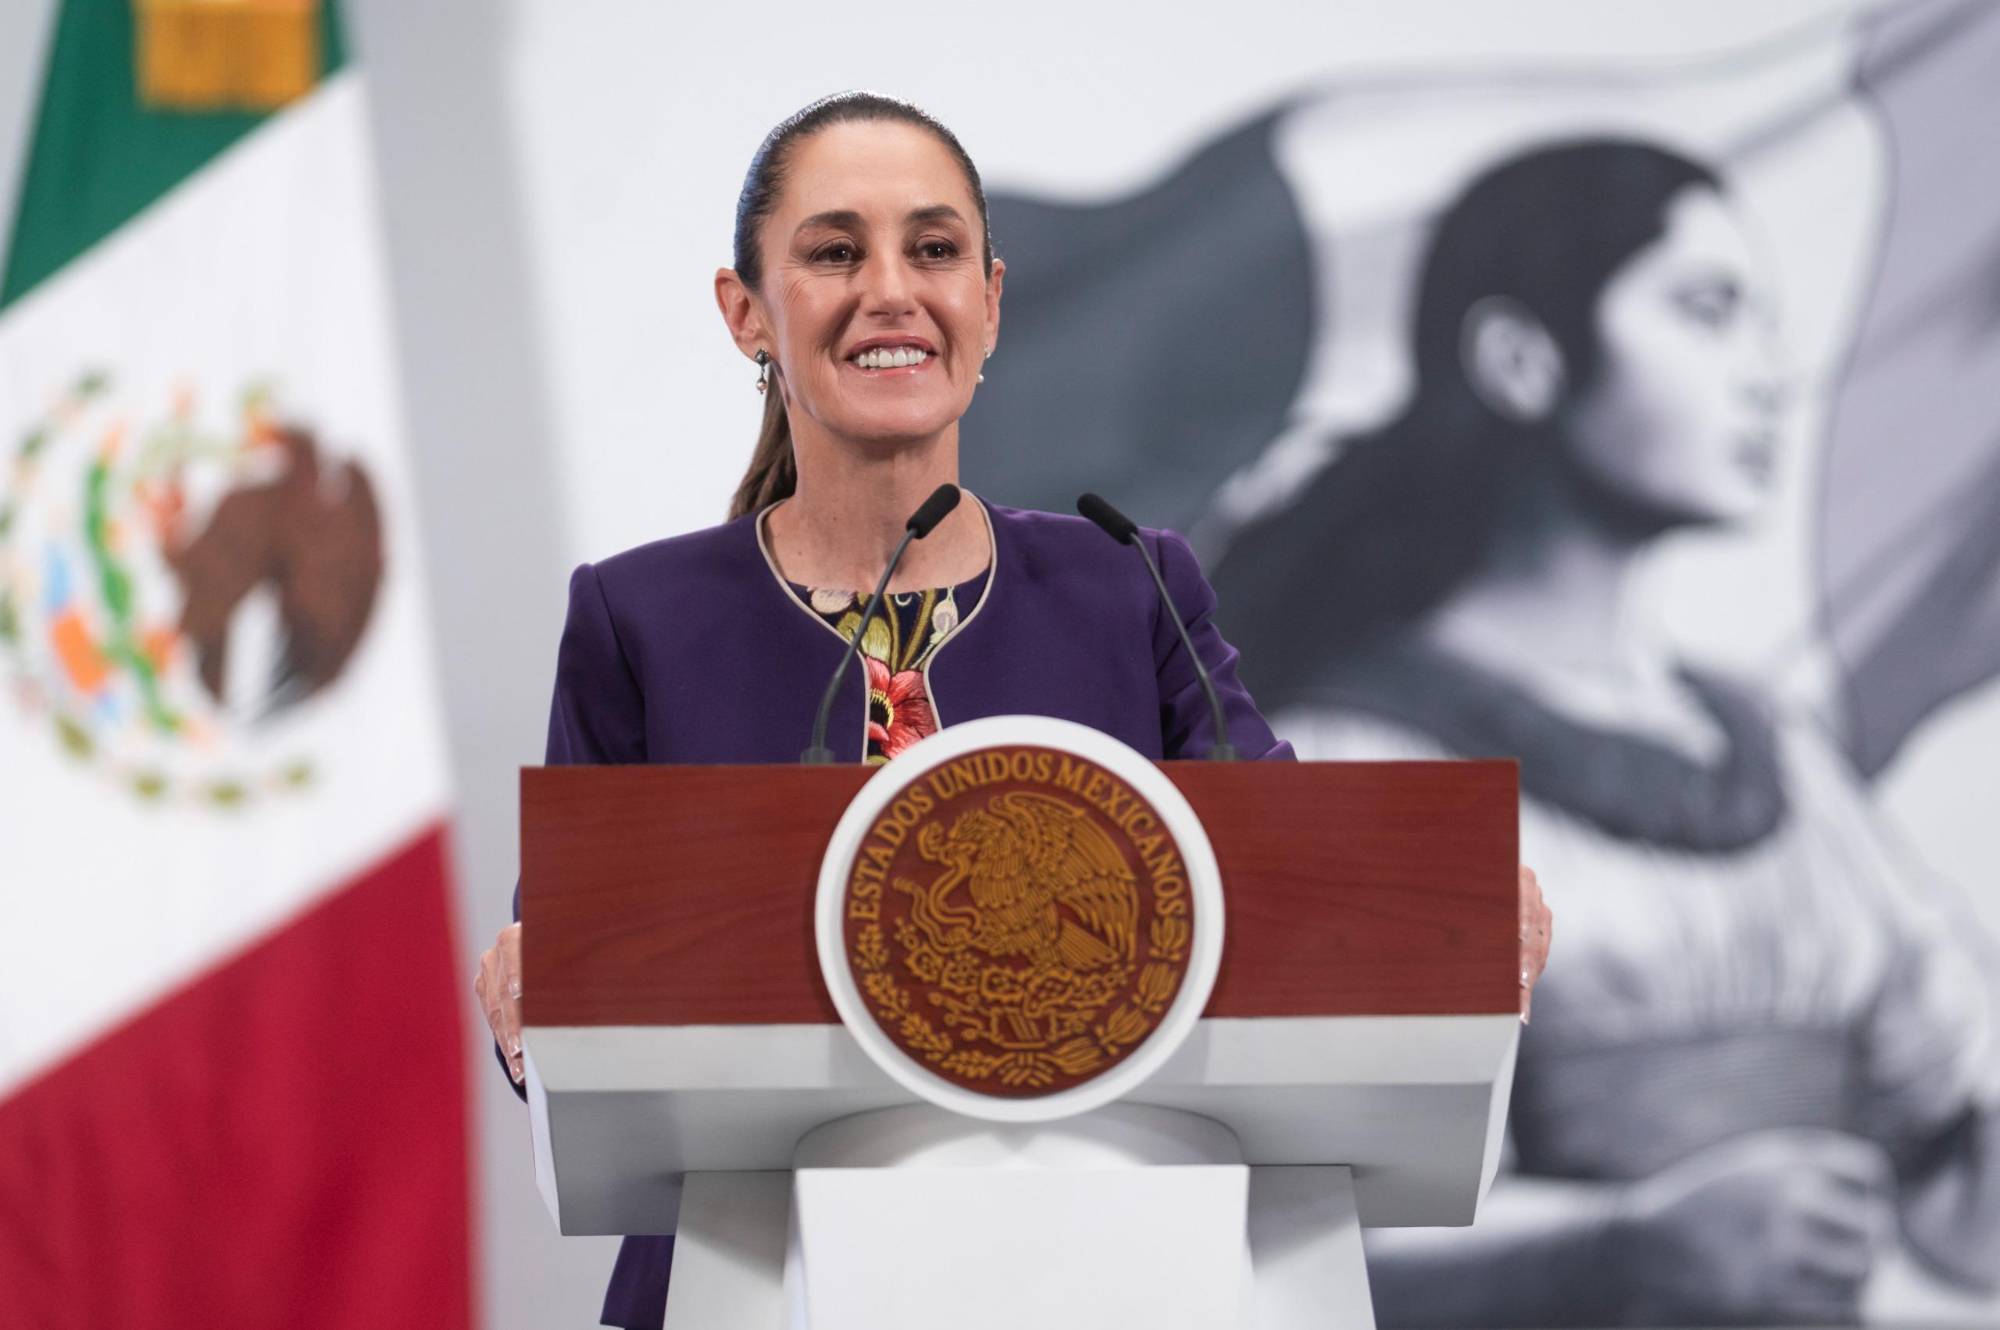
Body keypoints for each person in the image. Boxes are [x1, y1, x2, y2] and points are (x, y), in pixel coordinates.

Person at [469, 90, 1560, 1329]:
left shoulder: (1129, 583)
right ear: (745, 312)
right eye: (834, 252)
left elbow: (1298, 890)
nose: (891, 291)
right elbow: (579, 1008)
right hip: (754, 1281)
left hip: (1122, 1274)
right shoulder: (639, 619)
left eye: (933, 249)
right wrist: (528, 1001)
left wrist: (1452, 912)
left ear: (988, 304)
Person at [1211, 138, 2000, 1326]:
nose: (1765, 375)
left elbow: (1947, 1172)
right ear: (1519, 359)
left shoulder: (1775, 755)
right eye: (1705, 312)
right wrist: (1628, 1243)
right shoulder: (1362, 766)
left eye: (1763, 323)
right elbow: (1308, 1244)